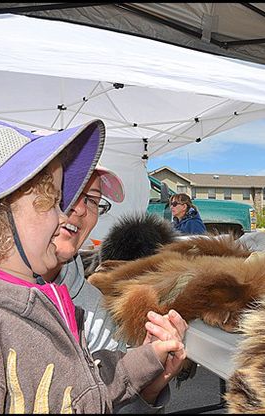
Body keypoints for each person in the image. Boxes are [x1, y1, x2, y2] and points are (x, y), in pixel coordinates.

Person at [0, 117, 184, 413]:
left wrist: (147, 359)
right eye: (51, 201)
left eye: (92, 200)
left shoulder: (32, 305)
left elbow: (76, 390)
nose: (65, 216)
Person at [43, 164, 189, 412]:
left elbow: (115, 403)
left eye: (92, 200)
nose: (79, 209)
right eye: (67, 191)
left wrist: (149, 383)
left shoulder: (96, 309)